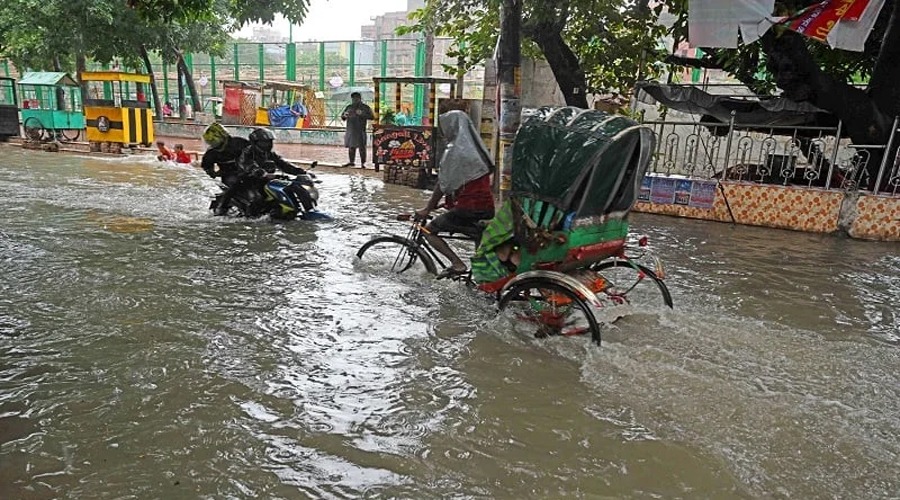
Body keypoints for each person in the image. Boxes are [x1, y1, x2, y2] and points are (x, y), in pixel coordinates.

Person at [415, 110, 496, 278]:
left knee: (429, 230)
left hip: (469, 207)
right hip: (486, 206)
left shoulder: (455, 152)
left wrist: (427, 209)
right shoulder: (476, 149)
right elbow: (467, 183)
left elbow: (442, 184)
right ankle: (481, 277)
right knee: (477, 236)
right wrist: (447, 203)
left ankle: (457, 264)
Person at [215, 128, 313, 215]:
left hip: (266, 180)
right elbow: (250, 166)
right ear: (255, 142)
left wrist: (302, 172)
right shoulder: (247, 152)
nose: (267, 144)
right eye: (263, 142)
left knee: (292, 187)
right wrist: (263, 173)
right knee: (255, 199)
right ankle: (222, 208)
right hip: (248, 180)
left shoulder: (270, 154)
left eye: (269, 142)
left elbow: (284, 164)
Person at [201, 122, 249, 190]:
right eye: (209, 142)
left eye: (213, 141)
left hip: (249, 173)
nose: (212, 144)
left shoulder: (239, 143)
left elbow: (255, 154)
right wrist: (212, 173)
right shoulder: (210, 153)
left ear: (223, 136)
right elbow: (207, 168)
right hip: (229, 178)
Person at [340, 91, 374, 167]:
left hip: (360, 130)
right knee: (351, 147)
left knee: (362, 148)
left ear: (360, 98)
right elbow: (343, 117)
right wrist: (344, 116)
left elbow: (372, 117)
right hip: (351, 130)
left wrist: (362, 114)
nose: (354, 100)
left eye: (356, 99)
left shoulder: (365, 107)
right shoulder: (349, 107)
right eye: (353, 99)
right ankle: (351, 162)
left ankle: (363, 163)